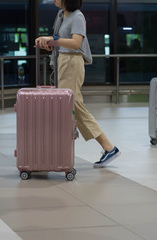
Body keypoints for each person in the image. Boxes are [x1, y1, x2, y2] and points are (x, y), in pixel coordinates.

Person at [35, 0, 121, 167]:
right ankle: (105, 147)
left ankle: (108, 146)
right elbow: (60, 42)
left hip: (72, 62)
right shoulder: (61, 15)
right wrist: (49, 43)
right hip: (63, 60)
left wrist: (54, 40)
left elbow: (75, 43)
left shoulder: (77, 17)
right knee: (69, 105)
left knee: (72, 103)